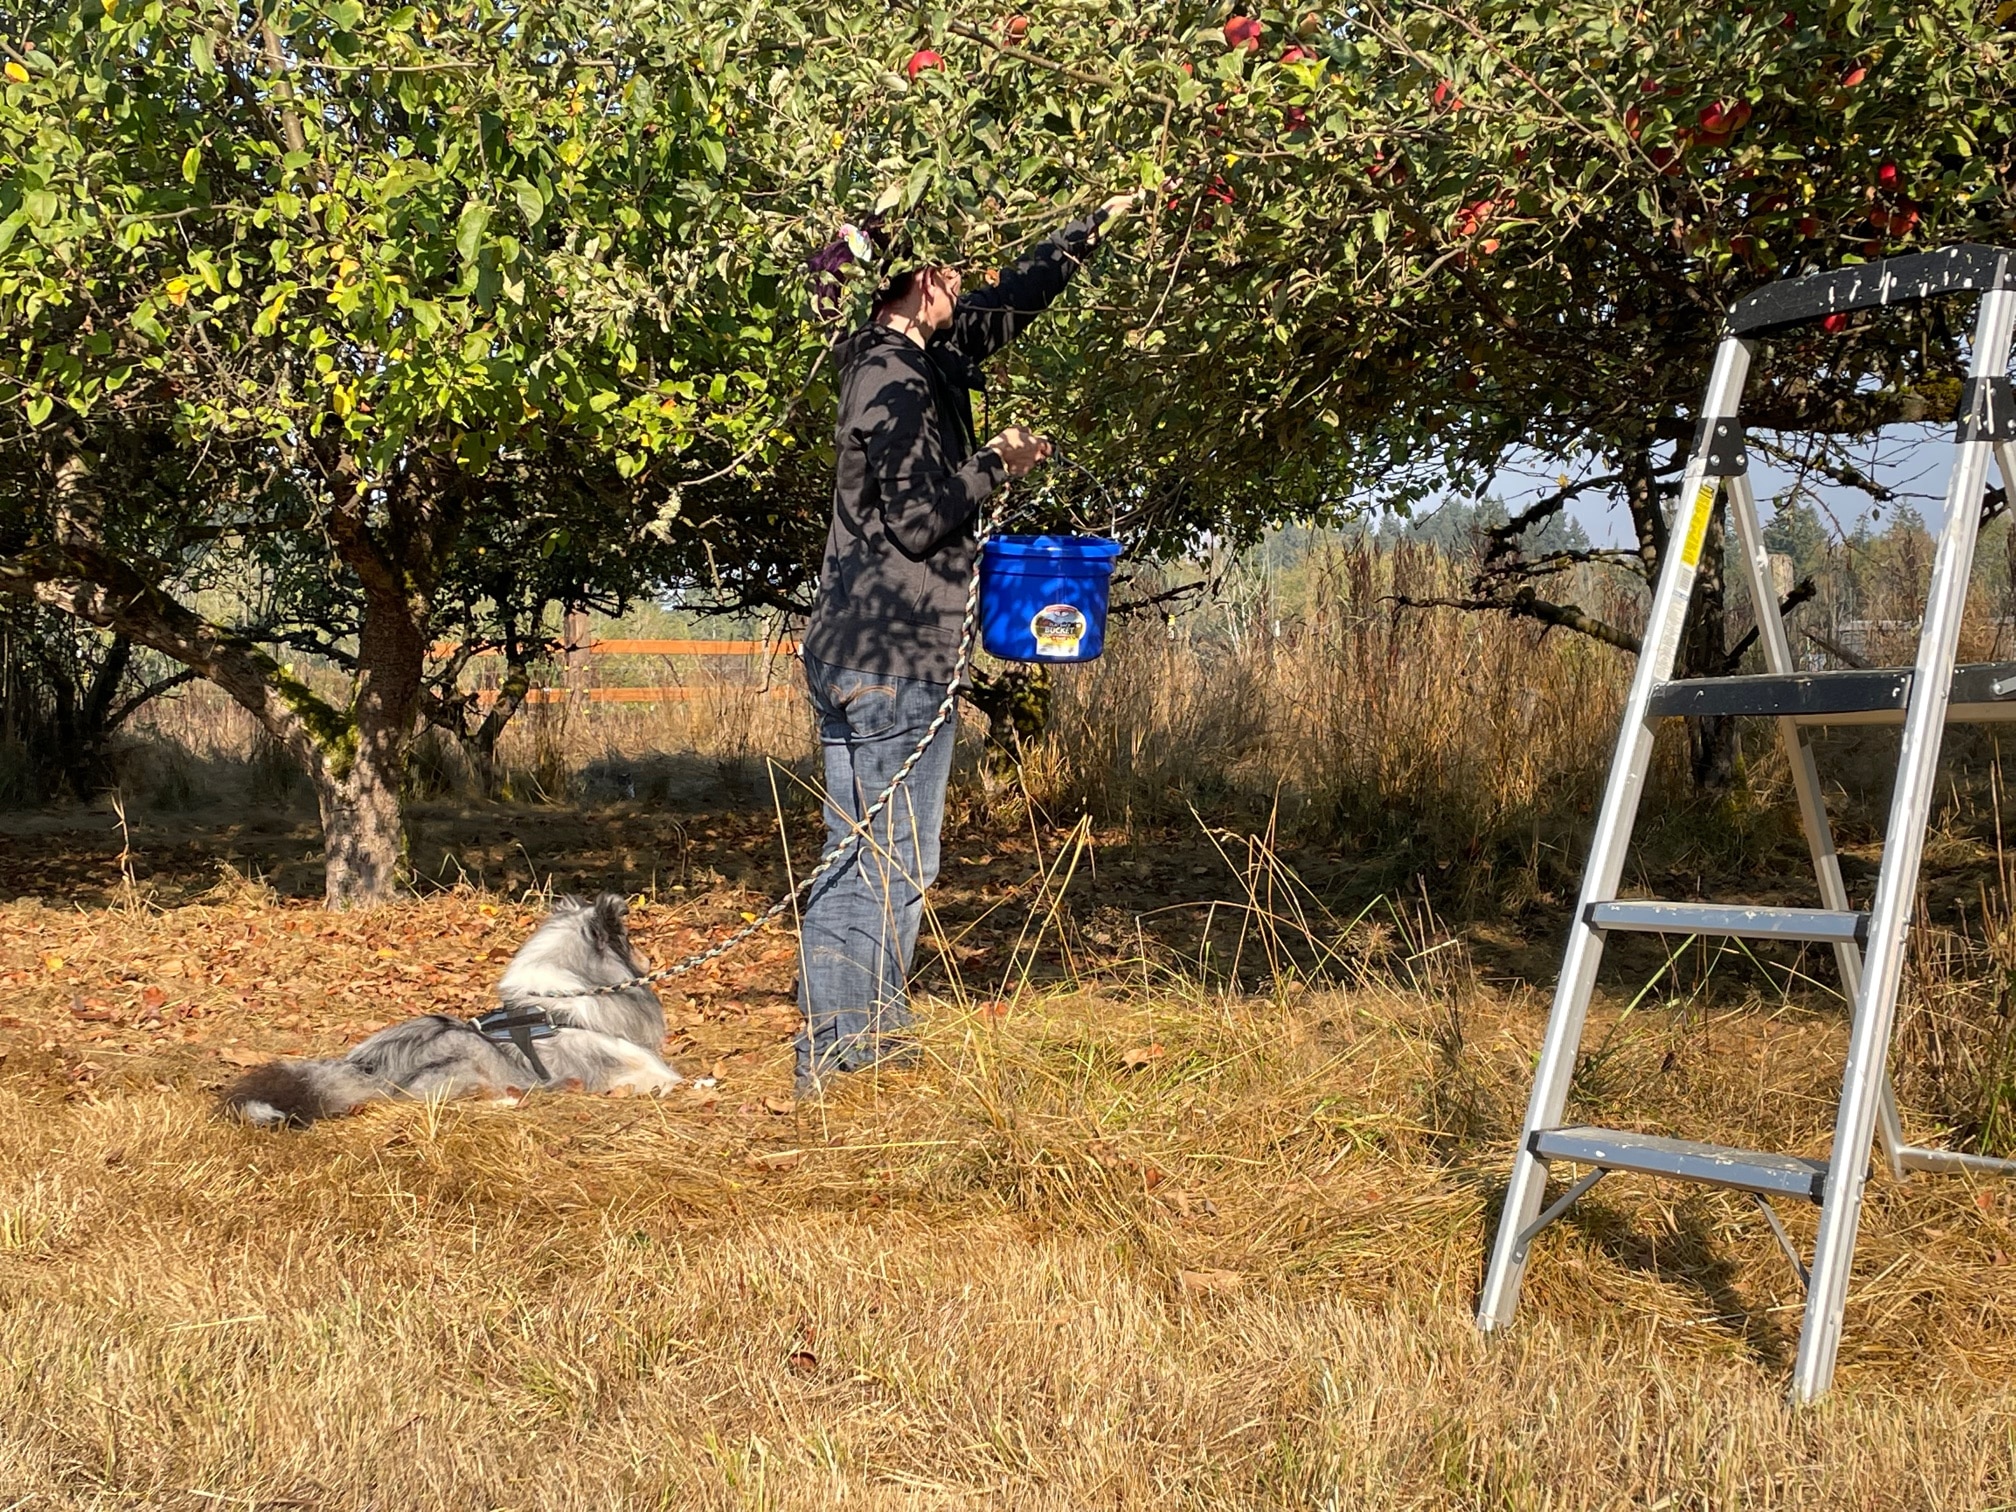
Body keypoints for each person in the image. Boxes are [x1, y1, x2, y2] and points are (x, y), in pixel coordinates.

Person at [793, 193, 1139, 1095]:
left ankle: (857, 1041)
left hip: (857, 647)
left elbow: (998, 311)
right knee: (890, 858)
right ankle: (846, 1056)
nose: (962, 283)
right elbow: (916, 520)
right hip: (891, 656)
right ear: (910, 281)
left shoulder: (897, 360)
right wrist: (995, 461)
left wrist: (1082, 234)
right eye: (945, 269)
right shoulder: (899, 381)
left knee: (862, 851)